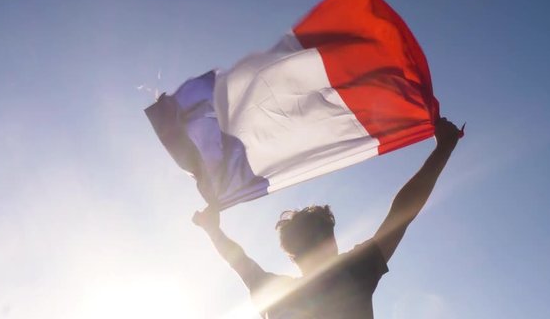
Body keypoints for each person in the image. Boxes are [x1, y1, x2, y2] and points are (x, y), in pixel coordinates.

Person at [193, 118, 461, 319]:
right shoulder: (354, 273)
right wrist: (444, 149)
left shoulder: (274, 292)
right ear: (332, 242)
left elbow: (238, 260)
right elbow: (403, 211)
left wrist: (212, 230)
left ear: (291, 253)